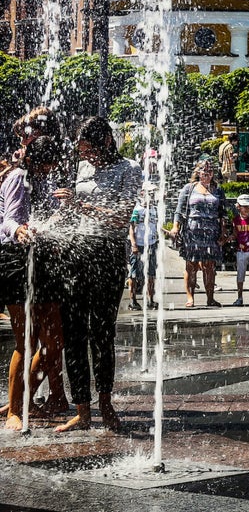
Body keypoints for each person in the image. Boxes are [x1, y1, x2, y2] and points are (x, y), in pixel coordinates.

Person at [56, 117, 139, 433]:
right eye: (82, 151)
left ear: (106, 141)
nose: (85, 156)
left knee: (102, 332)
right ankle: (82, 410)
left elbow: (121, 219)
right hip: (76, 252)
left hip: (107, 253)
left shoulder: (128, 169)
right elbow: (72, 210)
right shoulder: (82, 169)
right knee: (73, 333)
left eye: (90, 149)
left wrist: (81, 206)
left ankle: (106, 406)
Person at [0, 134, 67, 431]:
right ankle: (15, 409)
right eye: (48, 164)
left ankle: (32, 399)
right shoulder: (18, 178)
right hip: (15, 260)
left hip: (41, 259)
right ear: (37, 160)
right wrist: (19, 232)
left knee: (54, 340)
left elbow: (45, 218)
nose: (50, 169)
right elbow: (8, 220)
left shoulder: (42, 181)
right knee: (25, 340)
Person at [172, 156, 228, 308]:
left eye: (210, 171)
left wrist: (223, 231)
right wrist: (175, 227)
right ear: (198, 172)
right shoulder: (189, 189)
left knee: (209, 266)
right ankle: (190, 298)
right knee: (191, 265)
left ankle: (210, 298)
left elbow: (223, 213)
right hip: (192, 231)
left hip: (211, 232)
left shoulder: (217, 190)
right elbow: (179, 211)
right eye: (204, 171)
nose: (207, 173)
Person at [128, 175, 160, 311]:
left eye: (153, 192)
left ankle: (150, 299)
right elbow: (131, 228)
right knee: (134, 273)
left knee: (151, 273)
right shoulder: (137, 209)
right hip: (139, 244)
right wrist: (134, 244)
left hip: (151, 244)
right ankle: (132, 300)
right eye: (150, 192)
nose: (152, 195)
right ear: (143, 193)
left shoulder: (154, 209)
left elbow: (156, 225)